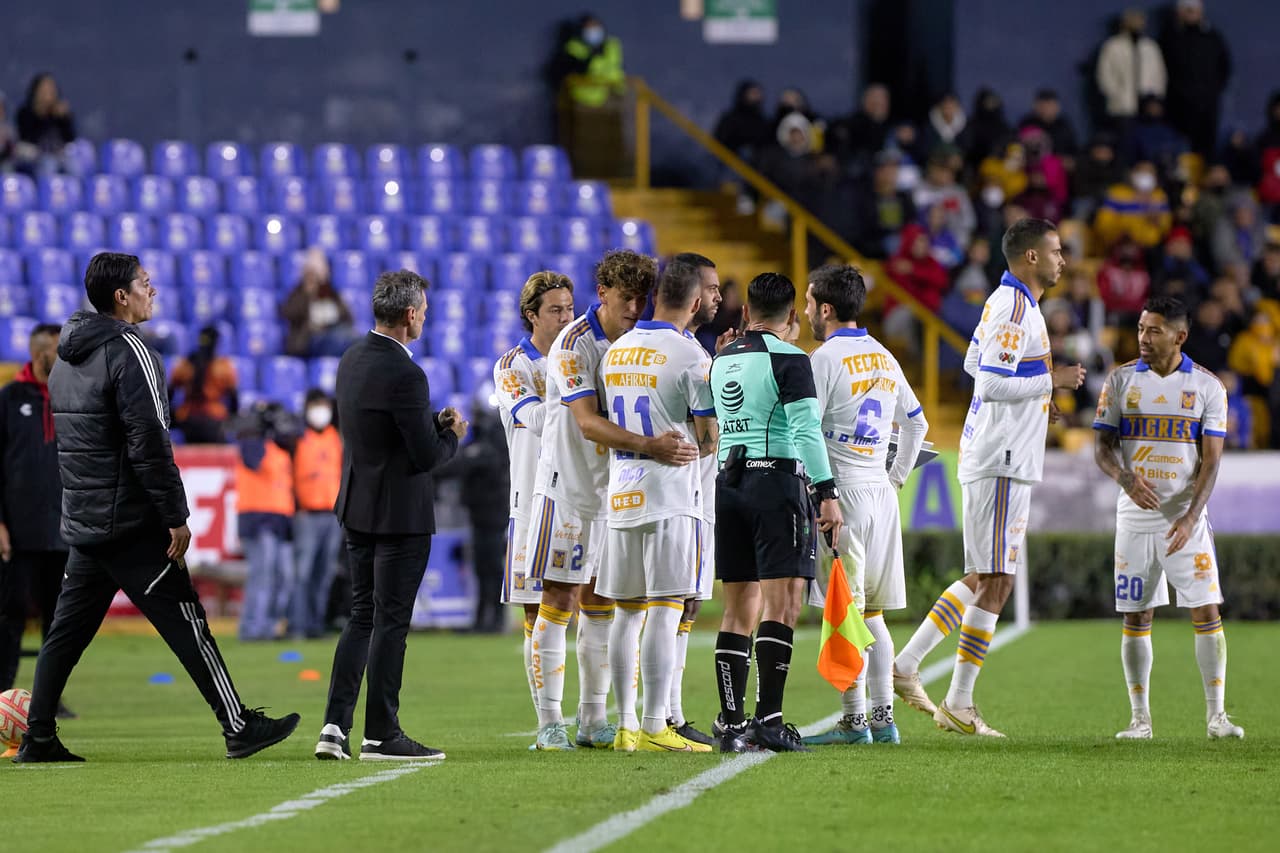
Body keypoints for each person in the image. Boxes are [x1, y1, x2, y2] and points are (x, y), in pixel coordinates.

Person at [14, 252, 300, 763]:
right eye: (146, 283)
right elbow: (149, 442)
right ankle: (238, 725)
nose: (154, 291)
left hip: (86, 519)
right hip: (131, 522)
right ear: (122, 297)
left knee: (65, 633)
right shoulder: (131, 350)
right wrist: (174, 515)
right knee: (186, 618)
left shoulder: (65, 358)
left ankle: (37, 736)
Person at [891, 219, 1085, 736]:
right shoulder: (1016, 307)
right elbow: (994, 382)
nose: (1062, 260)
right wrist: (1051, 382)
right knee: (996, 580)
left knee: (984, 576)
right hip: (1001, 459)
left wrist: (1037, 398)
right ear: (1030, 259)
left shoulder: (1010, 303)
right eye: (1056, 252)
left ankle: (908, 665)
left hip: (1000, 452)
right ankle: (958, 701)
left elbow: (978, 361)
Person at [524, 250, 687, 751]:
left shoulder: (638, 340)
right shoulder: (573, 345)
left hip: (617, 493)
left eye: (643, 298)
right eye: (625, 298)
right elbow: (587, 422)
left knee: (603, 606)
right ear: (602, 296)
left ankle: (594, 717)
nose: (635, 307)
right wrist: (651, 446)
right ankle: (549, 722)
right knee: (558, 600)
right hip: (569, 490)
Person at [314, 269, 466, 762]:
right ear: (408, 315)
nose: (426, 315)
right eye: (422, 308)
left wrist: (427, 423)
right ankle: (381, 732)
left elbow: (378, 432)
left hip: (357, 504)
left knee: (361, 617)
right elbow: (424, 457)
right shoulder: (407, 372)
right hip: (400, 515)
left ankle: (334, 727)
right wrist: (450, 435)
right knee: (391, 622)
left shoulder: (351, 358)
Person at [1092, 295, 1243, 740]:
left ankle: (1216, 717)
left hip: (1185, 517)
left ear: (1180, 336)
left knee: (1206, 608)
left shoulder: (1208, 387)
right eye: (1140, 328)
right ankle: (1140, 719)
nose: (1143, 337)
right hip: (1135, 517)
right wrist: (1123, 478)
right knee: (1137, 615)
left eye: (1153, 330)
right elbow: (1101, 447)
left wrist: (1191, 516)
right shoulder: (1120, 381)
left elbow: (1211, 462)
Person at [708, 271, 843, 754]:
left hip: (728, 484)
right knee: (782, 603)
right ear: (790, 317)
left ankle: (729, 721)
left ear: (746, 313)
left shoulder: (721, 359)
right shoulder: (791, 358)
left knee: (737, 606)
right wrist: (826, 492)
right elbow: (806, 430)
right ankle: (768, 720)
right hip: (775, 483)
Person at [800, 266, 928, 748]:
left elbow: (808, 429)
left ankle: (854, 722)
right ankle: (883, 719)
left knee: (845, 609)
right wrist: (894, 477)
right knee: (872, 613)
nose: (809, 312)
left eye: (811, 303)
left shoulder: (824, 358)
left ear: (826, 308)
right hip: (879, 493)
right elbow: (916, 425)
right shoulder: (884, 356)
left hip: (843, 496)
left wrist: (821, 490)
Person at [597, 257, 718, 754]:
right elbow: (709, 439)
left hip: (622, 490)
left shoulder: (617, 351)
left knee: (626, 612)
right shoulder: (691, 356)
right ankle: (655, 725)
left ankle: (625, 725)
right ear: (693, 302)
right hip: (670, 494)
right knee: (666, 610)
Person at [492, 272, 576, 727]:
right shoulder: (511, 366)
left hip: (581, 497)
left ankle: (596, 715)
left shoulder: (582, 354)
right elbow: (539, 420)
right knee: (537, 610)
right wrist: (577, 393)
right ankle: (549, 723)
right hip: (531, 506)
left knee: (594, 604)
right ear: (532, 316)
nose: (566, 318)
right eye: (555, 311)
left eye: (569, 308)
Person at [0, 324, 75, 722]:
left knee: (59, 622)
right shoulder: (10, 398)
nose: (60, 355)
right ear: (38, 352)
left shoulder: (72, 396)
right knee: (10, 616)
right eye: (54, 349)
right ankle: (2, 692)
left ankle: (50, 699)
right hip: (19, 532)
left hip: (63, 531)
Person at [670, 254, 728, 746]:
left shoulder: (696, 348)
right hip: (683, 493)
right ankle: (663, 715)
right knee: (672, 602)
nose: (718, 297)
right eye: (711, 289)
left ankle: (669, 711)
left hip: (696, 494)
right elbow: (708, 435)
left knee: (685, 604)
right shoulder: (686, 353)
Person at [235, 402, 296, 642]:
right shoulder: (252, 443)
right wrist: (260, 427)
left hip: (280, 520)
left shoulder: (280, 449)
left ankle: (269, 627)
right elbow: (253, 461)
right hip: (257, 518)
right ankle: (251, 629)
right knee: (262, 576)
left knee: (284, 577)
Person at [291, 389, 343, 639]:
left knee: (323, 574)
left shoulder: (335, 438)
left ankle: (315, 625)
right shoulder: (298, 437)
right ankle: (298, 625)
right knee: (303, 573)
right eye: (317, 405)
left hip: (332, 515)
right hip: (307, 514)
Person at [1160, 0, 1232, 158]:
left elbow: (1224, 67)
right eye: (1187, 10)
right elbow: (1161, 69)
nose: (1191, 14)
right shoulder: (1169, 38)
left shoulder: (1213, 37)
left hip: (1207, 104)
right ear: (1179, 12)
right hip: (1178, 105)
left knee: (1206, 148)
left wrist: (1212, 90)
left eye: (1194, 10)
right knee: (1179, 148)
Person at [1095, 10, 1167, 132]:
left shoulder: (1150, 46)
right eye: (1132, 20)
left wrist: (1156, 100)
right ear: (1124, 23)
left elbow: (1160, 75)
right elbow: (1104, 75)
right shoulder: (1113, 46)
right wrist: (1116, 95)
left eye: (1139, 20)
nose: (1136, 24)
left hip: (1148, 106)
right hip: (1123, 107)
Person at [169, 325, 239, 444]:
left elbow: (169, 393)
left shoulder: (185, 364)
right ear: (217, 343)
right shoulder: (223, 367)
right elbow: (234, 399)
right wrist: (231, 420)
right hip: (214, 419)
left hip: (188, 420)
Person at [281, 248, 356, 359]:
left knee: (348, 337)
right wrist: (309, 290)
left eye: (320, 267)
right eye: (313, 267)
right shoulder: (299, 292)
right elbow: (289, 313)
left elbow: (348, 318)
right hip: (309, 341)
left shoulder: (331, 293)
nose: (317, 272)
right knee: (341, 339)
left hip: (333, 335)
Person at [1094, 161, 1173, 250]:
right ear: (1132, 174)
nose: (1146, 175)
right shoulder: (1117, 193)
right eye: (1142, 172)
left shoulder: (1159, 196)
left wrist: (1156, 220)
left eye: (1150, 172)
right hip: (1121, 245)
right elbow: (1103, 225)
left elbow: (1166, 227)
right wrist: (1125, 229)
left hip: (1150, 249)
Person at [14, 72, 76, 175]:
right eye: (44, 89)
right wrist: (41, 115)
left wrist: (64, 119)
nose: (47, 93)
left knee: (74, 165)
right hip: (32, 156)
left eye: (51, 89)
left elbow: (70, 139)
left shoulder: (59, 112)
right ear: (36, 91)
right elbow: (27, 139)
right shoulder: (25, 111)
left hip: (58, 156)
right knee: (48, 164)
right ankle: (45, 190)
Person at [1018, 89, 1079, 161]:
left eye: (1050, 106)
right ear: (1035, 106)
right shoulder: (1027, 124)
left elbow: (1073, 149)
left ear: (1057, 107)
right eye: (1044, 106)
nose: (1047, 110)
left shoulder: (1063, 124)